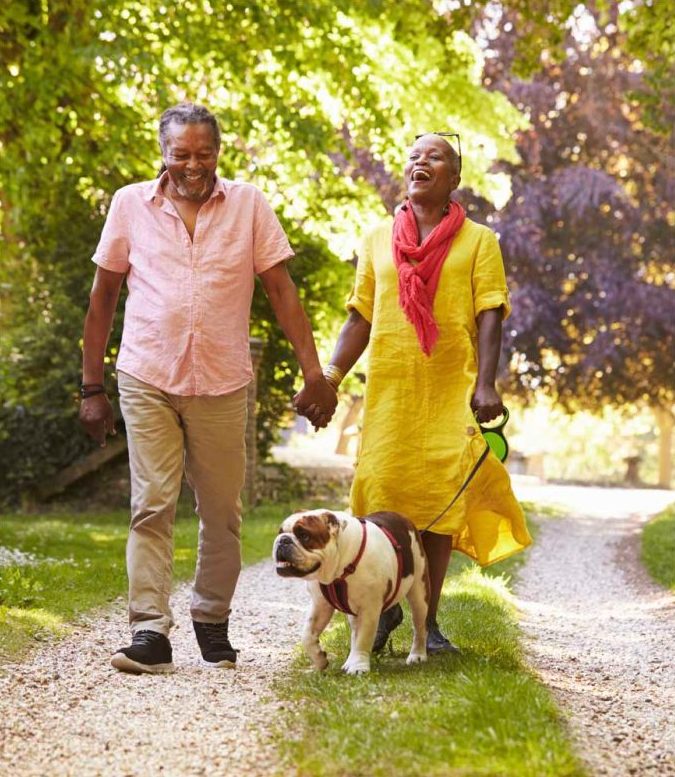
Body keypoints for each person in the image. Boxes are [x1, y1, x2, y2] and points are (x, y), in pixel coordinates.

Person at [79, 102, 336, 674]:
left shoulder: (248, 205)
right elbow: (102, 300)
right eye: (181, 154)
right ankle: (149, 631)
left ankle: (211, 619)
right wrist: (90, 388)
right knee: (151, 505)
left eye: (204, 153)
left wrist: (313, 372)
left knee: (222, 512)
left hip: (221, 381)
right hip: (147, 374)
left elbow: (281, 290)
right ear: (163, 154)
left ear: (219, 152)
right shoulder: (129, 205)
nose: (193, 165)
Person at [295, 132, 531, 653]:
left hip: (450, 390)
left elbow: (490, 312)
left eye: (436, 157)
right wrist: (329, 378)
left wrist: (486, 383)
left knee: (437, 508)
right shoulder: (378, 238)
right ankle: (382, 610)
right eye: (414, 156)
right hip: (391, 391)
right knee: (380, 493)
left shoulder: (479, 241)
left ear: (454, 178)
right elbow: (361, 314)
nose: (420, 163)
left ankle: (431, 621)